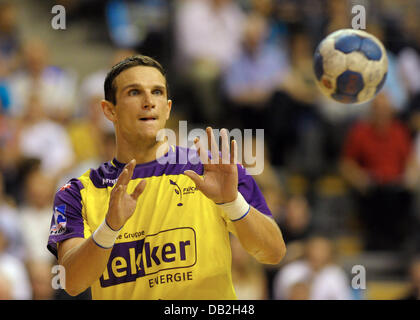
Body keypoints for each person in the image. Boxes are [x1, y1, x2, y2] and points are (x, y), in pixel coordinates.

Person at [47, 55, 286, 300]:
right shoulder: (77, 192)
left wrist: (232, 202)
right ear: (109, 110)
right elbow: (72, 282)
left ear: (168, 108)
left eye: (157, 92)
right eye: (134, 92)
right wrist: (109, 228)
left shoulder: (212, 169)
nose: (149, 101)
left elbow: (273, 252)